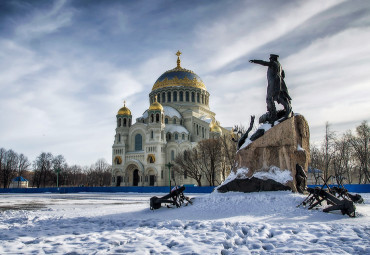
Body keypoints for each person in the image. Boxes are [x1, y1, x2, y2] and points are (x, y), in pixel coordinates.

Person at [249, 54, 292, 122]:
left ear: (273, 59)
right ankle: (286, 110)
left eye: (270, 58)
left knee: (269, 98)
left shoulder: (273, 63)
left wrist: (254, 61)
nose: (270, 59)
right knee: (279, 97)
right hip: (279, 83)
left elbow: (263, 63)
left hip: (273, 84)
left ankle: (273, 115)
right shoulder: (280, 65)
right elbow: (283, 75)